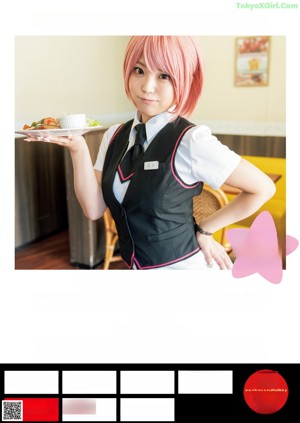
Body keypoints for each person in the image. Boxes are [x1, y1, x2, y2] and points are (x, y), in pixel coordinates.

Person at [24, 36, 276, 270]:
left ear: (185, 79)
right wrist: (78, 148)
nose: (147, 86)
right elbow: (93, 209)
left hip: (185, 271)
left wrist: (206, 230)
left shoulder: (192, 140)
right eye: (139, 70)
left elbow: (263, 188)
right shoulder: (114, 136)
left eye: (164, 75)